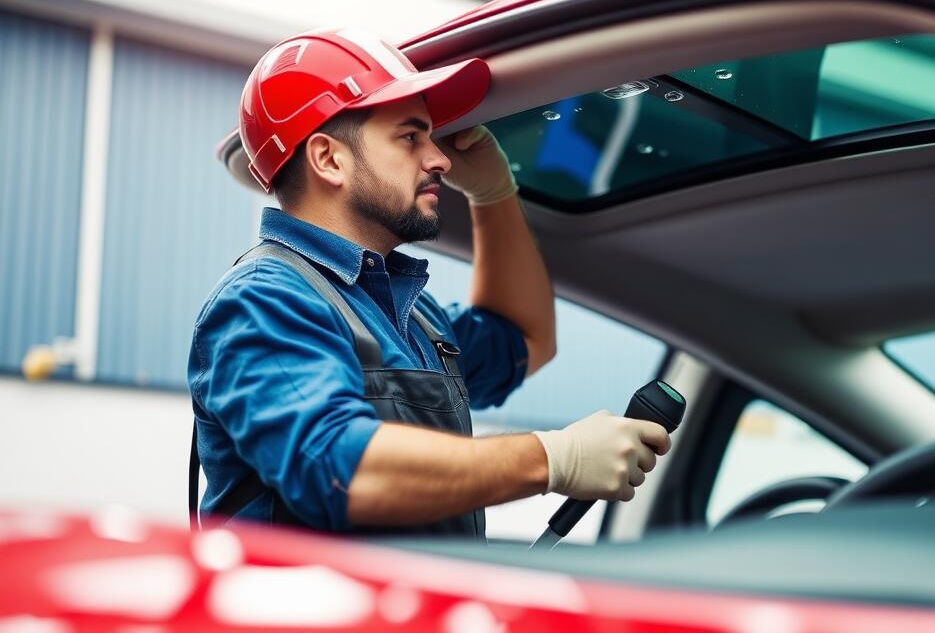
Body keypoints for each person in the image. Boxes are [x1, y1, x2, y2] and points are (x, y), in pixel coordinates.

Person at [188, 28, 670, 536]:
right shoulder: (264, 299)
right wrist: (553, 458)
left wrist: (494, 192)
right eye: (410, 137)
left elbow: (526, 340)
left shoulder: (413, 317)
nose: (440, 158)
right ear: (329, 159)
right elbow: (341, 470)